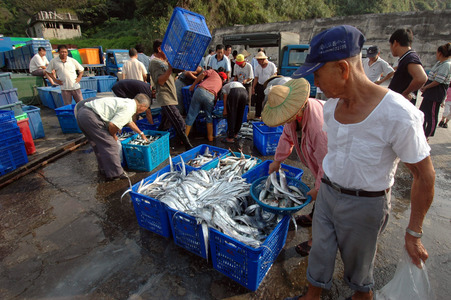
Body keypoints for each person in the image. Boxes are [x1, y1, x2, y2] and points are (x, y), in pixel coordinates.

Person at [285, 25, 435, 300]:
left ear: (343, 69)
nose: (316, 83)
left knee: (359, 272)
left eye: (317, 74)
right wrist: (324, 186)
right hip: (328, 195)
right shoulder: (330, 106)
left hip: (367, 204)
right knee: (319, 251)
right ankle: (312, 295)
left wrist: (413, 233)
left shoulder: (400, 115)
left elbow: (424, 176)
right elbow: (338, 152)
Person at [262, 78, 327, 257]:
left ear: (296, 109)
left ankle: (317, 241)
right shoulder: (294, 117)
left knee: (327, 201)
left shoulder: (318, 127)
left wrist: (318, 188)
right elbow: (286, 137)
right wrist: (277, 160)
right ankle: (312, 217)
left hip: (336, 165)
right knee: (319, 192)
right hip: (320, 163)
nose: (284, 119)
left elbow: (327, 163)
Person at [75, 94, 150, 181]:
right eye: (145, 109)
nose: (143, 112)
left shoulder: (128, 103)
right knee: (111, 145)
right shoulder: (129, 108)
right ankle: (117, 174)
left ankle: (104, 169)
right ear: (142, 106)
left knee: (98, 145)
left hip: (82, 114)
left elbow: (130, 122)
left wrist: (141, 134)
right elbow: (113, 125)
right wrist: (113, 136)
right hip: (91, 117)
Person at [149, 39, 193, 150]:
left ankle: (154, 146)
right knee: (179, 123)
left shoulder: (164, 61)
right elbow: (160, 81)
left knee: (165, 125)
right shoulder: (155, 62)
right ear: (159, 49)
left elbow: (179, 70)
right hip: (165, 97)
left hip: (171, 96)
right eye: (167, 49)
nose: (169, 51)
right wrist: (169, 68)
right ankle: (188, 147)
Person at [419, 43, 451, 138]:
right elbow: (431, 77)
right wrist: (425, 86)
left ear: (440, 53)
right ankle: (422, 132)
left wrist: (426, 87)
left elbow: (438, 81)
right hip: (430, 92)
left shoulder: (446, 65)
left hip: (436, 93)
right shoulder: (439, 63)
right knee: (422, 112)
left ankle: (428, 134)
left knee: (431, 115)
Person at [185, 69, 227, 141]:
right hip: (211, 96)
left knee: (191, 115)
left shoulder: (213, 72)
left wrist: (193, 85)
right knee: (209, 116)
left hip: (200, 91)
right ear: (223, 80)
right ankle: (210, 137)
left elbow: (202, 74)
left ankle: (184, 138)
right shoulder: (221, 84)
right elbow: (216, 99)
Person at [388, 28, 428, 105]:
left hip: (401, 105)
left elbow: (421, 78)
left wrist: (406, 93)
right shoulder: (406, 58)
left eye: (390, 45)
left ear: (395, 43)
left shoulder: (410, 57)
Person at [252, 51, 277, 120]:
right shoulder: (257, 67)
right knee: (259, 101)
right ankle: (258, 115)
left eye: (259, 60)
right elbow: (256, 78)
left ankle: (268, 115)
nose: (259, 62)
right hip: (260, 85)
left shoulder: (271, 65)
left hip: (269, 85)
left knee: (268, 101)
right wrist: (253, 87)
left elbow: (275, 75)